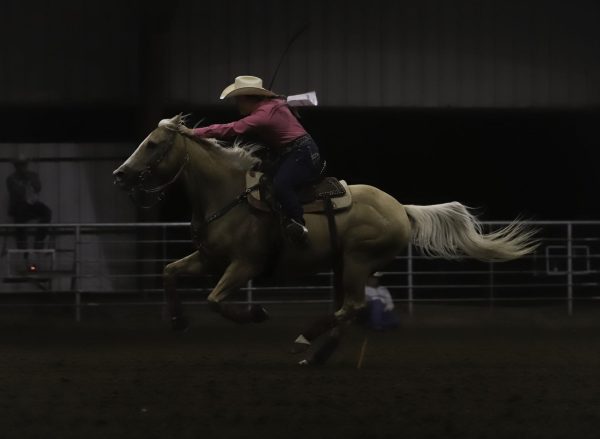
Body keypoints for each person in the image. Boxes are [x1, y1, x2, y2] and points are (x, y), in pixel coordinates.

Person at [180, 75, 321, 242]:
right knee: (264, 179)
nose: (237, 104)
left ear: (248, 99)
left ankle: (297, 223)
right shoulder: (274, 104)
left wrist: (194, 132)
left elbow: (231, 129)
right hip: (294, 152)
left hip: (301, 153)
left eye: (238, 100)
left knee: (281, 184)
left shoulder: (263, 115)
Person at [6, 154, 52, 250]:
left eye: (24, 164)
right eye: (19, 165)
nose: (22, 167)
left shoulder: (33, 175)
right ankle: (22, 244)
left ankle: (39, 240)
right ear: (16, 166)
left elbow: (38, 187)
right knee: (19, 216)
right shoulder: (11, 178)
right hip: (19, 206)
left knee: (47, 212)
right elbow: (18, 192)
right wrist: (25, 185)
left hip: (32, 204)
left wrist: (29, 178)